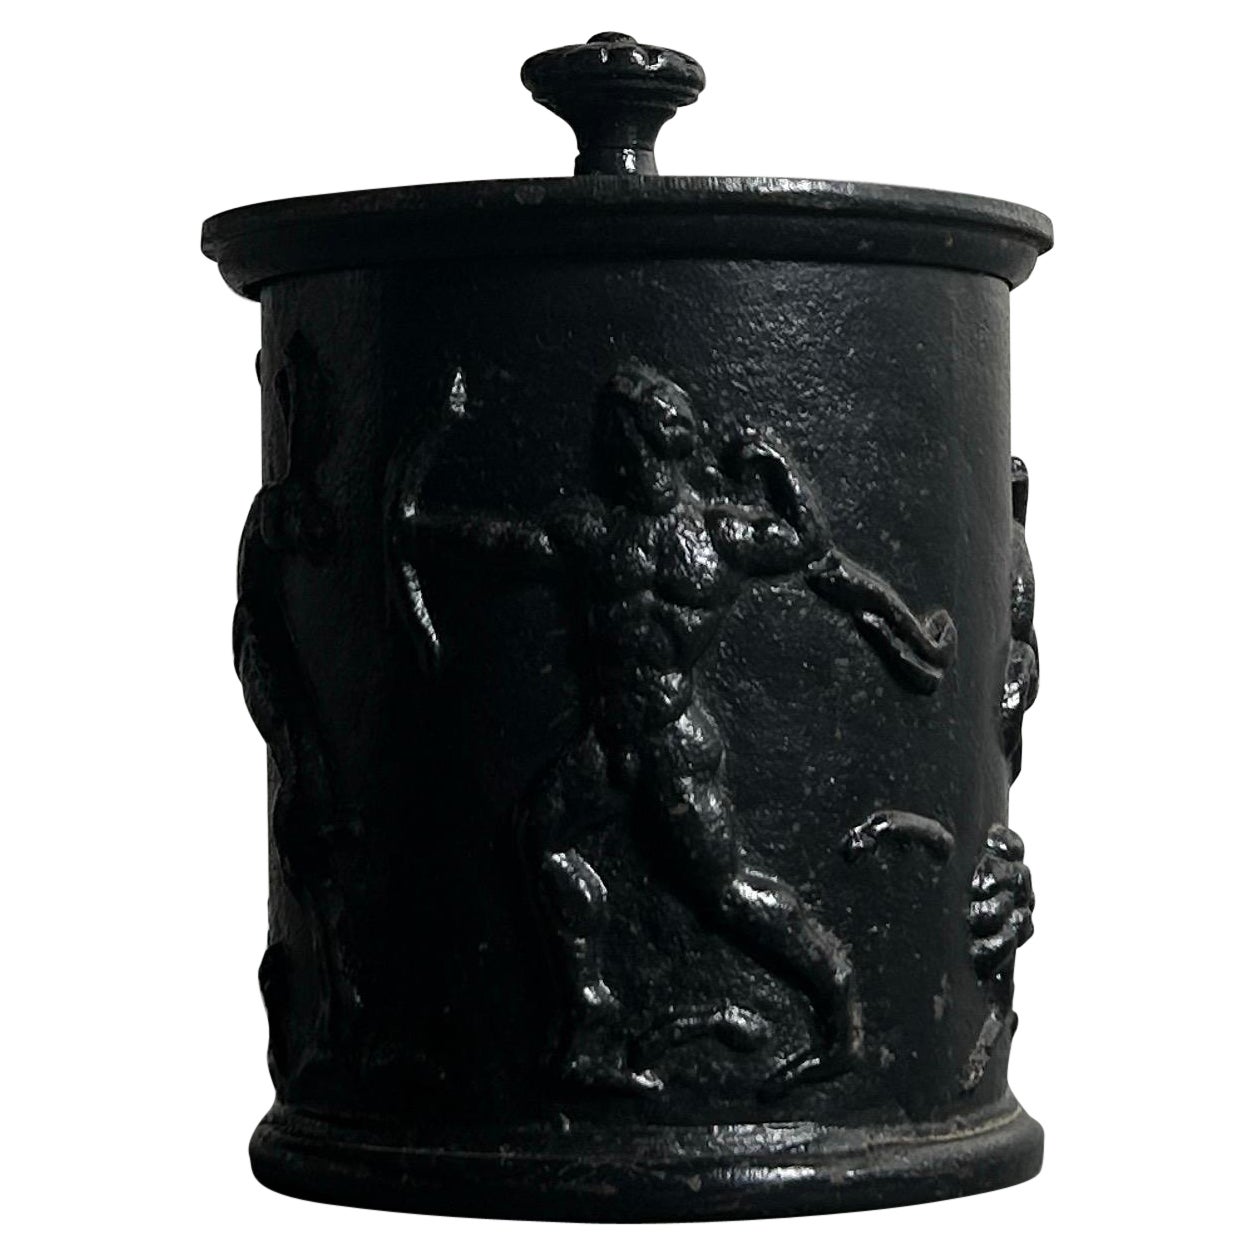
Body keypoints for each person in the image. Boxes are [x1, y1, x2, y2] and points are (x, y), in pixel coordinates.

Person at [393, 362, 956, 1090]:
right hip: (611, 742)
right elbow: (504, 543)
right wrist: (423, 531)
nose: (614, 455)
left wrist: (776, 464)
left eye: (622, 440)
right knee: (543, 837)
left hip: (670, 743)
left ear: (651, 444)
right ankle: (589, 1019)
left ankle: (839, 1003)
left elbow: (802, 543)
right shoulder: (610, 531)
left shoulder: (693, 534)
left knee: (724, 892)